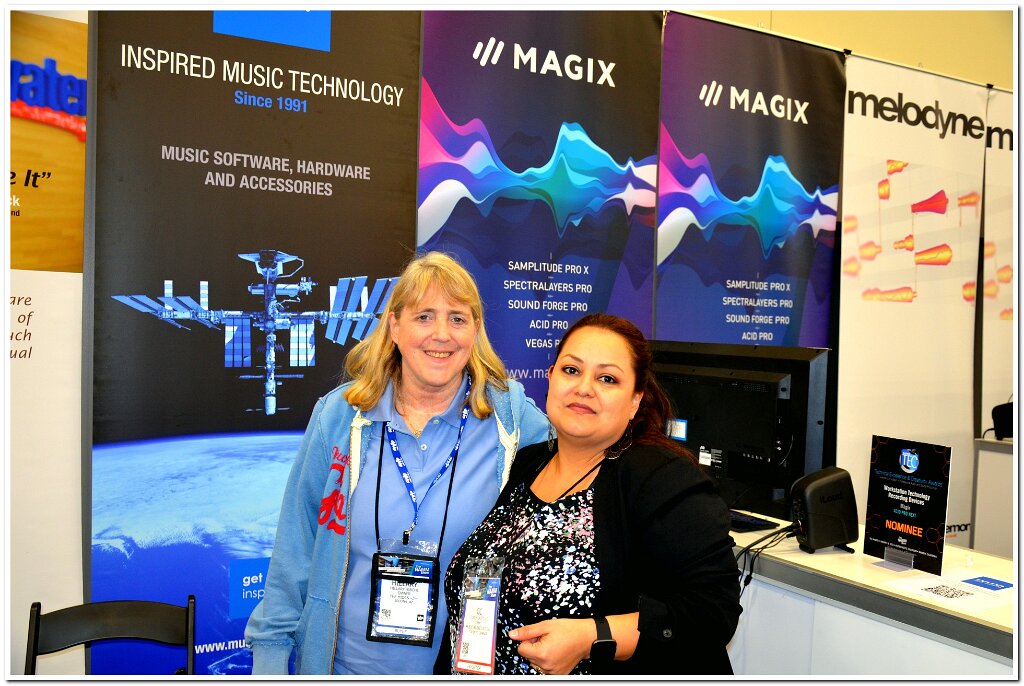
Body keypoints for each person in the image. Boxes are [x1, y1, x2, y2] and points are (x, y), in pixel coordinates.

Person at [245, 251, 548, 674]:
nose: (441, 334)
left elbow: (582, 479)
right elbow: (295, 549)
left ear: (475, 331)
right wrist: (271, 661)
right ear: (395, 326)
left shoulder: (511, 421)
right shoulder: (340, 416)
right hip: (344, 671)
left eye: (457, 319)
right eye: (424, 316)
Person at [435, 313, 742, 676]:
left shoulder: (661, 478)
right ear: (550, 378)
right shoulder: (529, 463)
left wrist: (591, 637)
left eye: (607, 378)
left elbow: (712, 613)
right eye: (571, 370)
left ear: (635, 400)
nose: (584, 388)